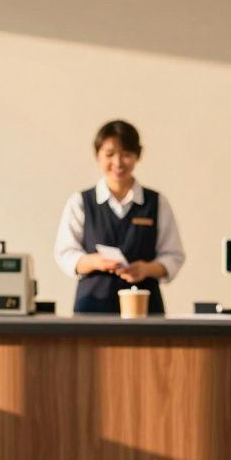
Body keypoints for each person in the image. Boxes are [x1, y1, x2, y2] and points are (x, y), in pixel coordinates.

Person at [54, 119, 185, 314]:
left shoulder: (156, 202)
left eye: (126, 155)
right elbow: (64, 253)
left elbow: (173, 255)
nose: (118, 162)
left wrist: (147, 269)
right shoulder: (81, 202)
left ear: (137, 156)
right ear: (97, 155)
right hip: (92, 306)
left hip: (145, 309)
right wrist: (95, 262)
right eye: (109, 154)